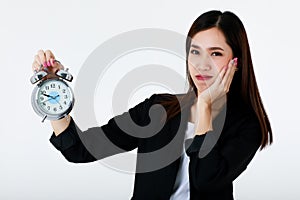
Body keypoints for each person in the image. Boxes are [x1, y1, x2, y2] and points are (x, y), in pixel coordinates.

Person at [31, 10, 273, 200]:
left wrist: (206, 108)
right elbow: (81, 150)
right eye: (195, 52)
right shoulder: (159, 109)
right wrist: (53, 94)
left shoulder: (247, 126)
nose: (202, 64)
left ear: (236, 62)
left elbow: (205, 179)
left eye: (216, 53)